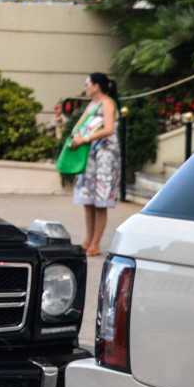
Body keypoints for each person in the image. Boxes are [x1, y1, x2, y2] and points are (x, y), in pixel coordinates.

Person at [70, 72, 120, 256]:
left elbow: (108, 129)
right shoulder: (92, 104)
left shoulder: (107, 103)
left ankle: (96, 244)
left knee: (101, 201)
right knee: (88, 201)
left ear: (97, 85)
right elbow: (78, 126)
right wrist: (76, 137)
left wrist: (85, 138)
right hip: (90, 157)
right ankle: (88, 240)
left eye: (87, 84)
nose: (86, 87)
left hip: (105, 157)